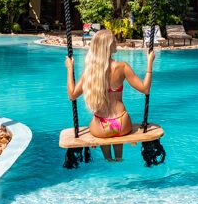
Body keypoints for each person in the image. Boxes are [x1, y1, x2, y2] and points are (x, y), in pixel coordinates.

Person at [65, 28, 155, 162]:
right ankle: (118, 159)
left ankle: (108, 159)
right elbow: (145, 89)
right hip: (122, 123)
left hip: (100, 127)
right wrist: (149, 63)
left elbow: (72, 95)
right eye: (114, 40)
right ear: (108, 46)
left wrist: (69, 68)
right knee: (117, 144)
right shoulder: (122, 67)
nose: (116, 41)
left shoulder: (90, 71)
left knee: (101, 135)